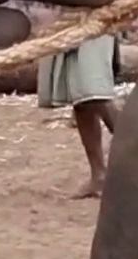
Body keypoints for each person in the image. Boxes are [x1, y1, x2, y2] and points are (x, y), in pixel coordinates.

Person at [37, 28, 121, 199]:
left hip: (95, 24)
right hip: (67, 23)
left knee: (96, 93)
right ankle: (99, 175)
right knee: (81, 100)